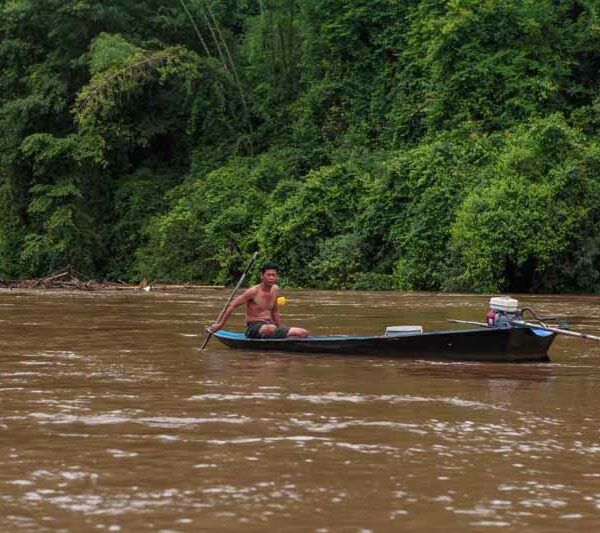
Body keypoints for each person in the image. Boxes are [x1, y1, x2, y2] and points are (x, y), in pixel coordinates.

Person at [209, 261, 309, 339]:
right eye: (268, 275)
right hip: (253, 328)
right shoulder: (253, 291)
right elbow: (232, 305)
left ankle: (281, 341)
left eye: (273, 275)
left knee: (303, 333)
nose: (271, 278)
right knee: (270, 328)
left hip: (270, 326)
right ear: (262, 275)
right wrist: (220, 325)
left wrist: (281, 328)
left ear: (277, 277)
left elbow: (275, 312)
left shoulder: (275, 290)